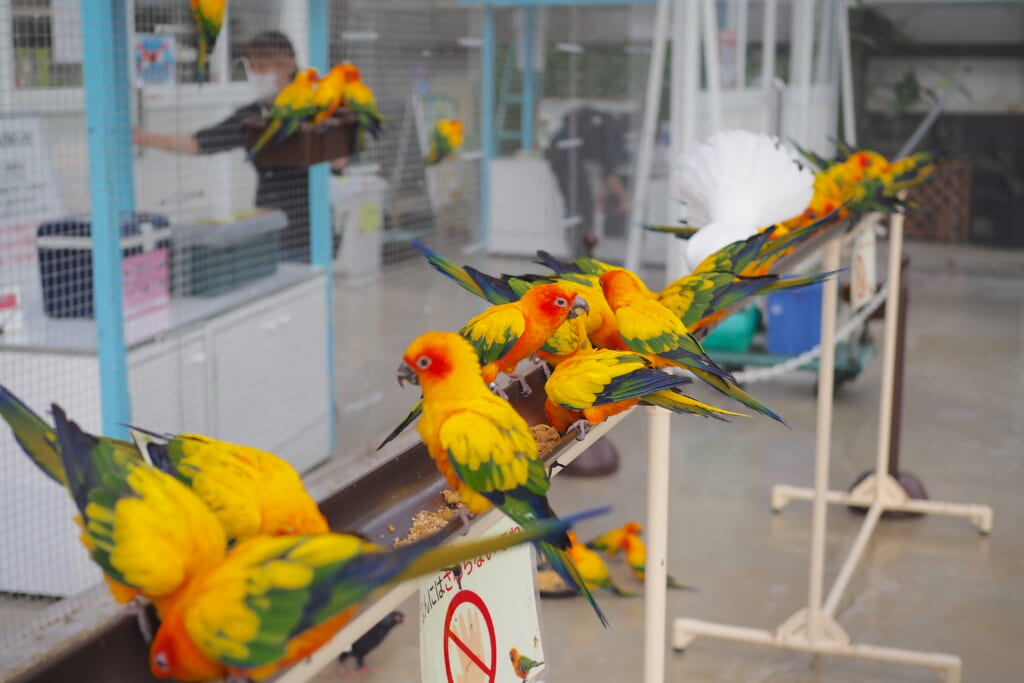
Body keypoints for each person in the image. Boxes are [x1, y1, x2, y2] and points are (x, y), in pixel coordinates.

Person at [134, 30, 346, 262]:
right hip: (272, 229)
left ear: (287, 66)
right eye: (252, 67)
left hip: (312, 232)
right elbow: (197, 143)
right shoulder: (253, 117)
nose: (255, 75)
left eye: (262, 67)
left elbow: (340, 161)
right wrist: (142, 137)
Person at [544, 105, 632, 258]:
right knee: (581, 208)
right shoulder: (612, 134)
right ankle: (581, 255)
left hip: (561, 151)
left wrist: (604, 195)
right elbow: (610, 174)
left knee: (580, 207)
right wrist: (624, 198)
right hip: (565, 156)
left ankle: (581, 252)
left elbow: (607, 171)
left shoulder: (605, 125)